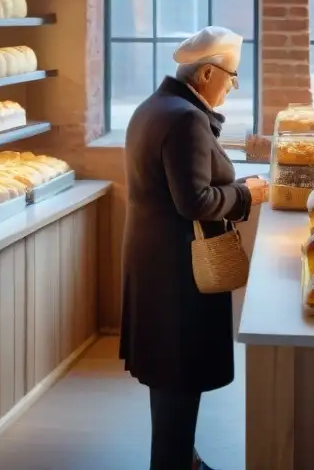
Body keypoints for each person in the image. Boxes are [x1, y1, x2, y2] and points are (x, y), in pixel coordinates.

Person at [119, 26, 263, 470]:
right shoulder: (185, 119)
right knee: (178, 380)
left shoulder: (155, 107)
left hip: (155, 264)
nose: (232, 88)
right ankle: (175, 462)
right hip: (178, 272)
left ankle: (184, 458)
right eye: (231, 78)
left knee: (169, 383)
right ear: (205, 73)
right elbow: (194, 202)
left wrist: (235, 186)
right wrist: (248, 194)